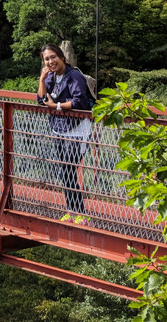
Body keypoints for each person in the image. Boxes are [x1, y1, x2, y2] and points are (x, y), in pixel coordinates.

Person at [37, 41, 96, 221]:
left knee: (68, 170)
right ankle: (72, 211)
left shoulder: (73, 76)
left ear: (62, 57)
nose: (50, 61)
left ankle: (81, 213)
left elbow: (80, 102)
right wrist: (41, 79)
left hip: (77, 129)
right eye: (46, 59)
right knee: (64, 170)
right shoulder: (50, 77)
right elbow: (41, 99)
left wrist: (57, 106)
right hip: (59, 128)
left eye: (53, 57)